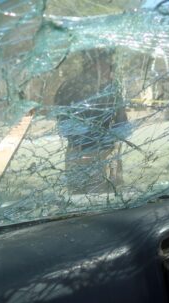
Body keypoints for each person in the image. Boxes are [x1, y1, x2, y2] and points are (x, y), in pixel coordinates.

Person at [54, 48, 128, 194]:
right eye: (108, 64)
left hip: (86, 152)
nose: (110, 68)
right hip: (96, 153)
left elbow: (122, 125)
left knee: (81, 197)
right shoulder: (108, 90)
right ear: (96, 64)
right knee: (96, 199)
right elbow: (122, 126)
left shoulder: (109, 90)